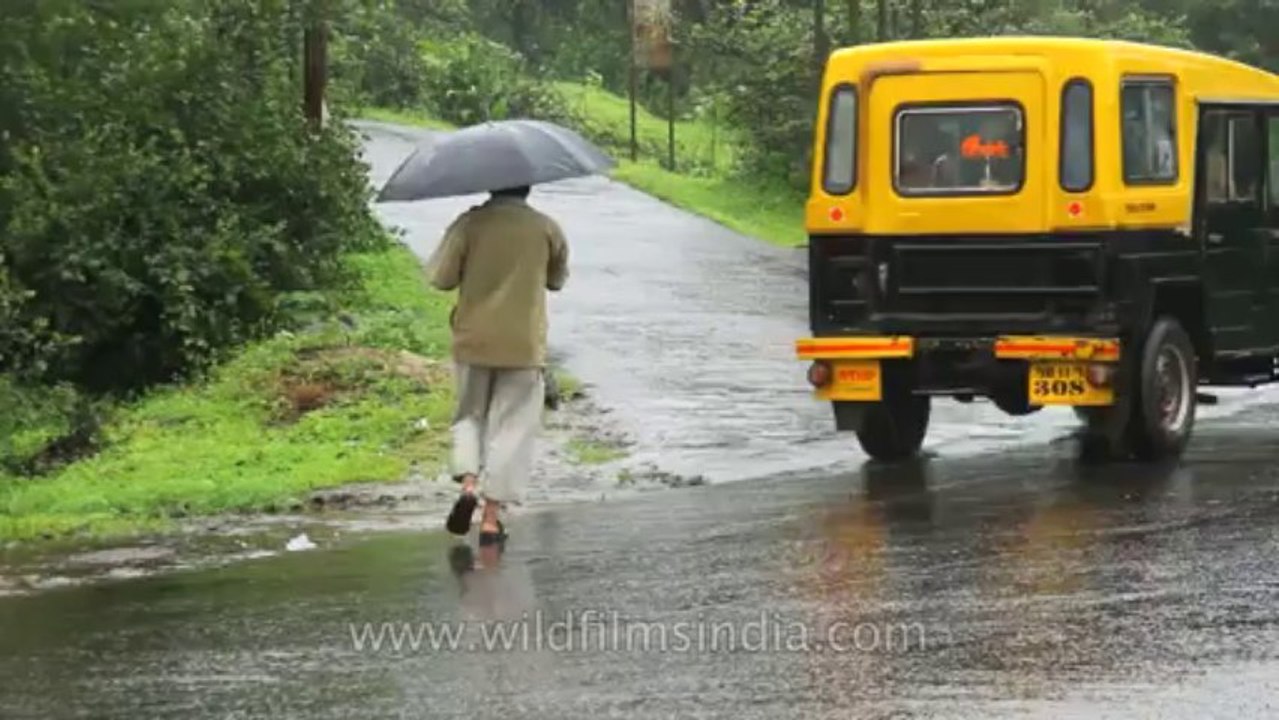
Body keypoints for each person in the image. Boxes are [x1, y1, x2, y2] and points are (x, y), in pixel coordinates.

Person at [427, 185, 570, 547]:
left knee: (468, 416)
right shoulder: (546, 228)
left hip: (473, 339)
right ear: (529, 186)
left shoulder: (469, 224)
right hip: (523, 344)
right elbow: (556, 281)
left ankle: (469, 484)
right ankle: (491, 518)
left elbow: (440, 278)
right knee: (513, 427)